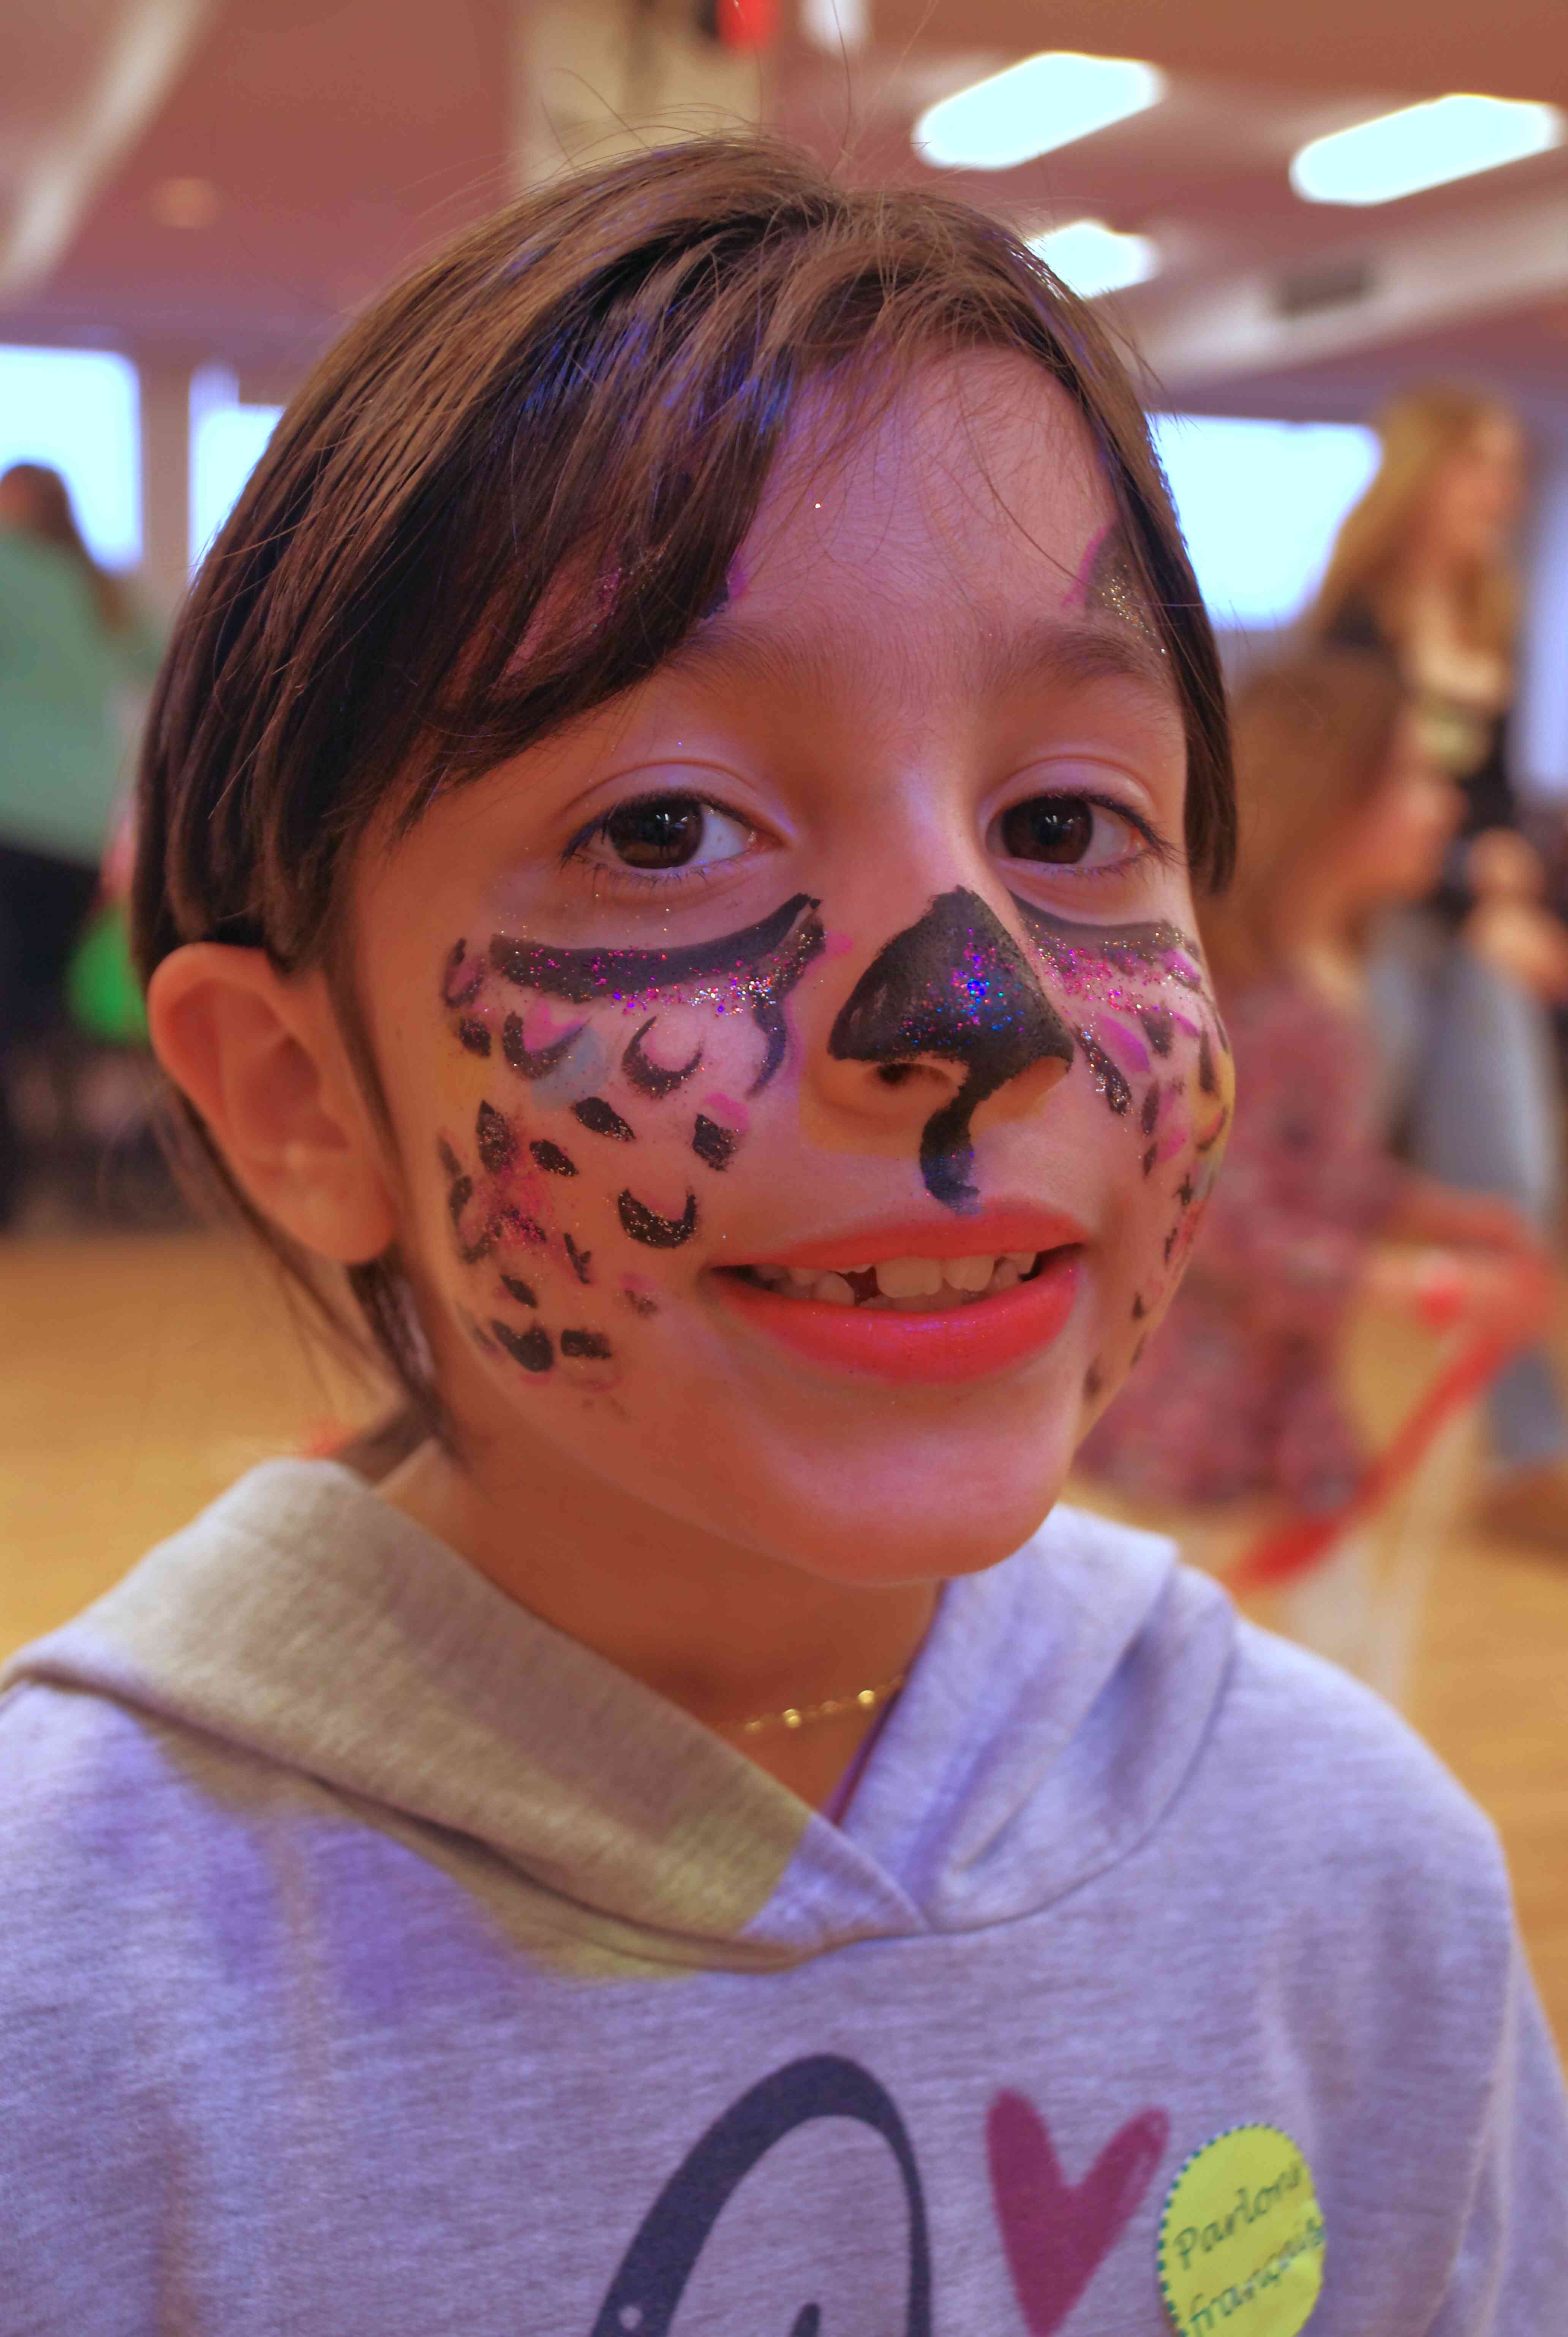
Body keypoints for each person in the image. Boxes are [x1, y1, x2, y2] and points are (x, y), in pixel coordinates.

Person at [2, 142, 1564, 2329]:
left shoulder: (1352, 1887)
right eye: (665, 828)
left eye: (1066, 819)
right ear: (302, 1100)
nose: (979, 1007)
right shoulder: (66, 2011)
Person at [1078, 647, 1549, 1515]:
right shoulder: (1244, 1005)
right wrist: (1407, 1283)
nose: (1449, 805)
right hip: (1190, 1415)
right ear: (1332, 793)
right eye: (1414, 776)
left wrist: (1433, 1214)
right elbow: (1219, 1222)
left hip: (1273, 1397)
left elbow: (1315, 1171)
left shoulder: (1334, 982)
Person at [1308, 387, 1568, 1544]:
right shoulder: (1356, 629)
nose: (1501, 495)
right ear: (1427, 477)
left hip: (1465, 936)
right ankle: (1264, 1418)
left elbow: (1489, 800)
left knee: (1508, 1189)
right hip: (1382, 932)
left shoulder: (1489, 619)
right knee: (1317, 1177)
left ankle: (1530, 1458)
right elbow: (1351, 810)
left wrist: (1502, 876)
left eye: (1510, 473)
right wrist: (1473, 890)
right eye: (1481, 469)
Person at [0, 461, 163, 1220]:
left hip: (10, 816)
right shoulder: (105, 590)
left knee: (13, 1007)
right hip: (78, 829)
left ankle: (17, 1174)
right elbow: (172, 658)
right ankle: (50, 1168)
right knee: (39, 1003)